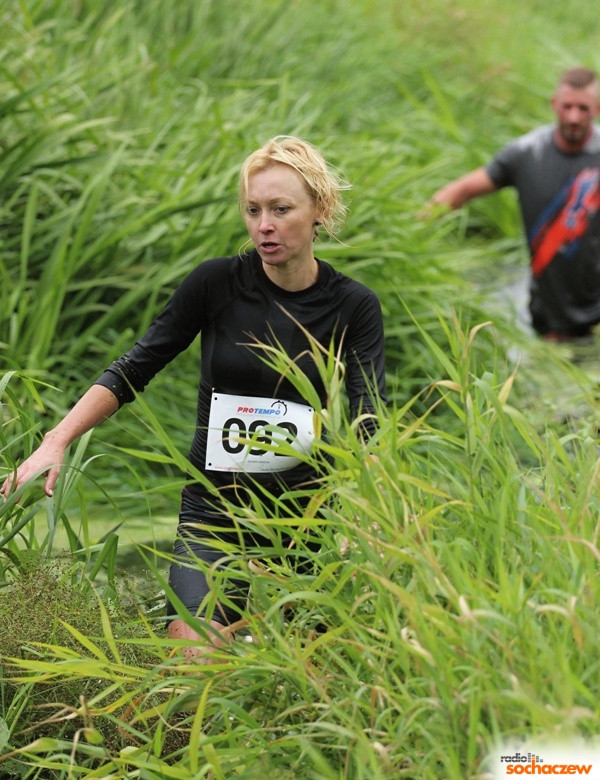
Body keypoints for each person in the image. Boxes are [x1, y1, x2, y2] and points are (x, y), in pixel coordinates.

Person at [1, 136, 387, 661]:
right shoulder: (216, 284)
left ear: (319, 210)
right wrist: (56, 439)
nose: (264, 225)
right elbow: (135, 367)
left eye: (280, 209)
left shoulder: (354, 306)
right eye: (253, 210)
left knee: (305, 675)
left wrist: (365, 514)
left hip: (308, 521)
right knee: (191, 666)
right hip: (216, 511)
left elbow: (368, 418)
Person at [428, 66, 600, 341]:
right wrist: (416, 225)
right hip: (547, 318)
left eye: (583, 108)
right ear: (554, 104)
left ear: (597, 109)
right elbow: (461, 190)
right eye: (567, 106)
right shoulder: (527, 154)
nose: (574, 117)